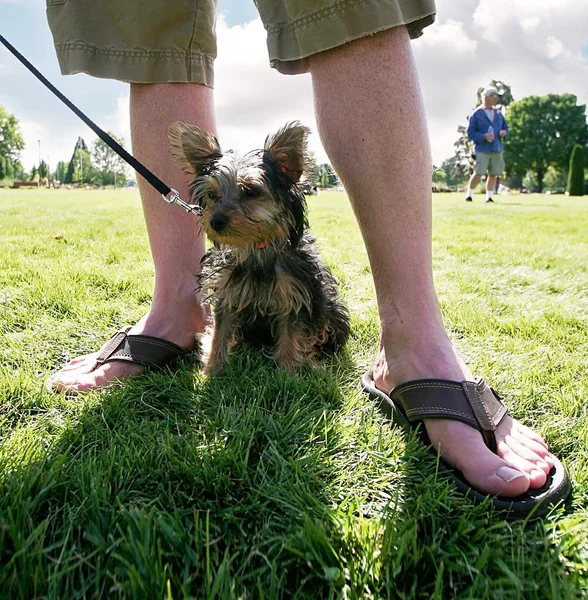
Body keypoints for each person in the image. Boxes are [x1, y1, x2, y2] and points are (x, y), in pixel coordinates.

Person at [45, 1, 567, 512]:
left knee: (352, 7)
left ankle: (414, 340)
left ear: (288, 181)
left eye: (248, 196)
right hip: (232, 296)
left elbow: (309, 308)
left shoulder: (293, 247)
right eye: (212, 199)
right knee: (151, 30)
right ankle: (177, 307)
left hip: (298, 301)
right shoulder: (225, 251)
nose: (222, 214)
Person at [465, 87, 509, 203]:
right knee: (479, 172)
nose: (496, 99)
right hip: (482, 148)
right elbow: (470, 133)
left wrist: (504, 133)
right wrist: (483, 136)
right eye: (493, 96)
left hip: (496, 147)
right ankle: (469, 195)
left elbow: (506, 129)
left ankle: (489, 197)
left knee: (493, 173)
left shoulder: (499, 114)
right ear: (486, 97)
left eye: (496, 96)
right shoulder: (476, 114)